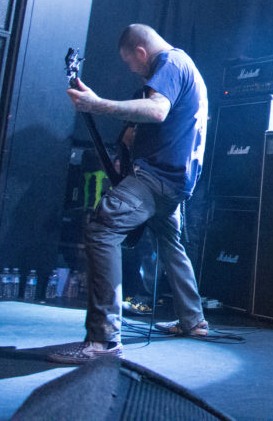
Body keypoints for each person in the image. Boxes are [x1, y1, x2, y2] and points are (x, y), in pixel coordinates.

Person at [49, 24, 210, 364]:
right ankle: (193, 320)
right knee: (170, 243)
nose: (133, 71)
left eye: (130, 64)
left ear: (140, 52)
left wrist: (100, 105)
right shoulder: (185, 66)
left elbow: (157, 110)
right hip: (176, 183)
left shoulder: (169, 63)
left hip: (157, 178)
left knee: (102, 228)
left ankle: (103, 340)